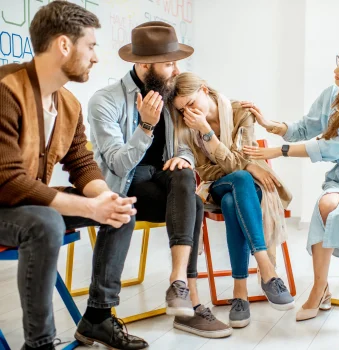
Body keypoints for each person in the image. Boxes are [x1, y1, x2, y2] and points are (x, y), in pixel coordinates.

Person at [0, 2, 148, 349]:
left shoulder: (68, 103)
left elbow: (81, 163)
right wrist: (87, 208)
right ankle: (39, 344)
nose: (96, 57)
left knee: (119, 211)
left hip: (26, 202)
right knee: (46, 222)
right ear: (64, 45)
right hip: (7, 204)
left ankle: (97, 317)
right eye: (91, 46)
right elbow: (7, 182)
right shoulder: (6, 89)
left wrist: (103, 199)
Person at [242, 41, 339, 341]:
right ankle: (320, 287)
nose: (336, 71)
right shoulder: (332, 94)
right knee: (325, 204)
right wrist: (269, 124)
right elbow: (306, 126)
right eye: (337, 63)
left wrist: (280, 152)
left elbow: (333, 147)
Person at [88, 22, 231, 338]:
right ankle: (189, 306)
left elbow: (184, 147)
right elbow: (118, 164)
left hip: (164, 185)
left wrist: (186, 158)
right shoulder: (105, 101)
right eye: (169, 63)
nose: (176, 69)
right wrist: (146, 127)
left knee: (186, 186)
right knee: (180, 198)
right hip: (125, 186)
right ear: (143, 65)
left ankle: (178, 284)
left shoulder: (169, 95)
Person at [171, 72, 295, 328]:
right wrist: (243, 164)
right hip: (217, 186)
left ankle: (240, 293)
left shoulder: (240, 111)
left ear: (204, 90)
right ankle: (267, 270)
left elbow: (241, 158)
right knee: (238, 177)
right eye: (182, 110)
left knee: (231, 201)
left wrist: (238, 162)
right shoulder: (187, 127)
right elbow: (207, 172)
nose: (189, 113)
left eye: (192, 103)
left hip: (253, 188)